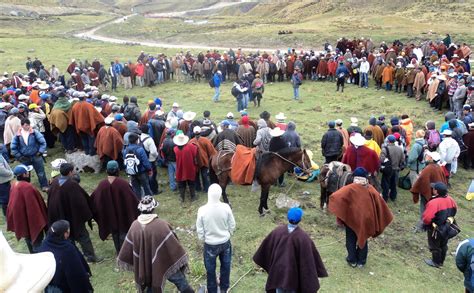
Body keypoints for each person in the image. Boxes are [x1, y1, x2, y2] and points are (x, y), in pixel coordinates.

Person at [118, 196, 195, 293]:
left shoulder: (134, 226)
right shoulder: (161, 225)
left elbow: (127, 249)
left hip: (144, 266)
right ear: (153, 209)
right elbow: (173, 245)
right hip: (165, 262)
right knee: (180, 281)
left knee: (149, 283)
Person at [329, 167, 393, 268]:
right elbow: (380, 204)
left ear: (354, 177)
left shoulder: (349, 188)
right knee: (363, 237)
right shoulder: (371, 189)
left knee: (350, 239)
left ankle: (352, 260)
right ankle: (361, 261)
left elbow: (335, 197)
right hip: (366, 220)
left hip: (351, 219)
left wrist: (342, 215)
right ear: (365, 178)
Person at [253, 207, 328, 292]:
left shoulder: (277, 231)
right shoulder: (304, 238)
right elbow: (308, 261)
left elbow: (266, 248)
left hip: (278, 274)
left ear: (288, 217)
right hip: (293, 278)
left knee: (279, 289)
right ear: (300, 219)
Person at [47, 163, 103, 263]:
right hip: (74, 218)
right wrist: (87, 214)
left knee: (68, 238)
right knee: (83, 236)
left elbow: (51, 200)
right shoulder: (71, 185)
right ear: (70, 172)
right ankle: (91, 257)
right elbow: (81, 202)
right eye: (73, 170)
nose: (74, 172)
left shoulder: (55, 182)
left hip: (61, 217)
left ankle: (73, 257)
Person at [90, 160, 139, 254]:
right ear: (118, 170)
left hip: (109, 216)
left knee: (115, 233)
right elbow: (133, 200)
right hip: (123, 215)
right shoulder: (123, 183)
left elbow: (94, 200)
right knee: (123, 233)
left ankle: (119, 252)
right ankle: (126, 253)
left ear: (106, 171)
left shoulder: (102, 185)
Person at [196, 184, 236, 293]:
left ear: (208, 194)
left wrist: (203, 238)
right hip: (225, 242)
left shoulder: (202, 210)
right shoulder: (226, 207)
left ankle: (212, 290)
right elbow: (232, 224)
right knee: (226, 266)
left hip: (210, 244)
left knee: (210, 269)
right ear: (219, 195)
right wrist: (228, 233)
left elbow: (199, 228)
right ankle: (224, 288)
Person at [37, 220, 93, 293]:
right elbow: (76, 273)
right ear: (65, 234)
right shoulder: (67, 249)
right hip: (64, 288)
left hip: (49, 287)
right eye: (68, 230)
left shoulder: (44, 246)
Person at [7, 164, 48, 253]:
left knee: (28, 238)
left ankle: (33, 254)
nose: (29, 174)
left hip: (23, 221)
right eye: (28, 172)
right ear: (25, 174)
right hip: (32, 221)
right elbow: (34, 208)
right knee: (37, 243)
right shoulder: (27, 187)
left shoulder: (14, 185)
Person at [422, 182, 457, 268]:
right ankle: (441, 261)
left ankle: (436, 262)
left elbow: (427, 218)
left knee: (434, 245)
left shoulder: (434, 202)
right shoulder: (451, 199)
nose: (432, 189)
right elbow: (455, 210)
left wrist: (426, 224)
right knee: (443, 244)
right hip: (447, 227)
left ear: (436, 192)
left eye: (434, 188)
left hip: (436, 228)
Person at [410, 151, 447, 231]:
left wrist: (417, 189)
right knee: (432, 211)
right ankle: (430, 225)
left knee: (424, 211)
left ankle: (421, 228)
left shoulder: (429, 168)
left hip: (428, 194)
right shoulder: (438, 167)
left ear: (432, 159)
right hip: (436, 194)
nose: (427, 157)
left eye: (429, 156)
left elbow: (422, 180)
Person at [11, 118, 49, 191]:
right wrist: (19, 156)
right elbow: (13, 147)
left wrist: (40, 151)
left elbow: (43, 142)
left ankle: (44, 185)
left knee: (41, 172)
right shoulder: (17, 135)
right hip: (24, 158)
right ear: (22, 126)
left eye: (29, 125)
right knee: (25, 173)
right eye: (26, 125)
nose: (28, 126)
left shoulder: (34, 132)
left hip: (36, 156)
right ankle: (27, 188)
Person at [123, 132, 153, 199]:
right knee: (146, 188)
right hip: (142, 172)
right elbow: (145, 162)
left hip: (132, 172)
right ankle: (149, 204)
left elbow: (125, 162)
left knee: (136, 190)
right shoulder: (140, 149)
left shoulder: (125, 150)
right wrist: (149, 169)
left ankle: (137, 204)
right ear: (137, 140)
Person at [190, 126, 216, 193]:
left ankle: (198, 188)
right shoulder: (205, 140)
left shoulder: (191, 141)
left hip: (195, 162)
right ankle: (206, 189)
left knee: (196, 176)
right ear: (200, 132)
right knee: (204, 175)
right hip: (204, 161)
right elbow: (212, 151)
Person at [174, 131, 198, 202]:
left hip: (180, 169)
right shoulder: (192, 147)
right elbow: (195, 153)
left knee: (181, 184)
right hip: (190, 168)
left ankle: (182, 198)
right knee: (191, 184)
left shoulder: (175, 149)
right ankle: (193, 197)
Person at [380, 135, 405, 202]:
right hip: (396, 169)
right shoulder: (400, 149)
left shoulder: (385, 149)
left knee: (385, 184)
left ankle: (385, 198)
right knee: (394, 184)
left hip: (388, 169)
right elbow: (403, 159)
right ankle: (393, 197)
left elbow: (382, 159)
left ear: (388, 141)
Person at [0, 152, 13, 217]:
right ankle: (8, 215)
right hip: (2, 182)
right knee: (5, 199)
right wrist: (10, 173)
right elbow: (1, 170)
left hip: (3, 181)